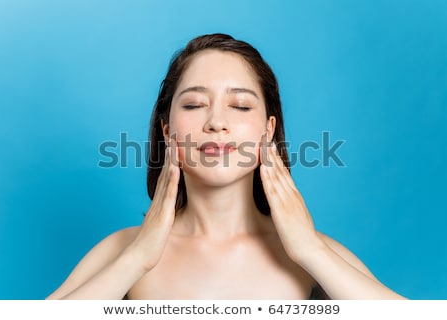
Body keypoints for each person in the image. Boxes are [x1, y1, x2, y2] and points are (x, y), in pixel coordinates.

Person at [47, 33, 406, 300]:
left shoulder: (313, 250)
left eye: (240, 105)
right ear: (167, 129)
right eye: (194, 105)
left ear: (268, 129)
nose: (217, 122)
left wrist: (309, 251)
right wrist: (138, 258)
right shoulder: (121, 249)